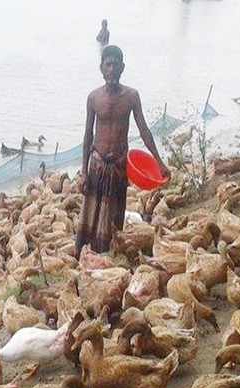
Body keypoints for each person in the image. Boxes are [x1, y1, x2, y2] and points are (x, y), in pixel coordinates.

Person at [76, 45, 169, 253]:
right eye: (107, 65)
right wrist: (83, 172)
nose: (111, 69)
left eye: (115, 65)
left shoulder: (131, 97)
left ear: (122, 68)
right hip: (97, 163)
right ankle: (85, 252)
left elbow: (144, 129)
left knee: (114, 212)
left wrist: (159, 162)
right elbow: (88, 135)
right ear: (101, 69)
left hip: (118, 164)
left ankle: (109, 250)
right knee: (91, 211)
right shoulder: (93, 98)